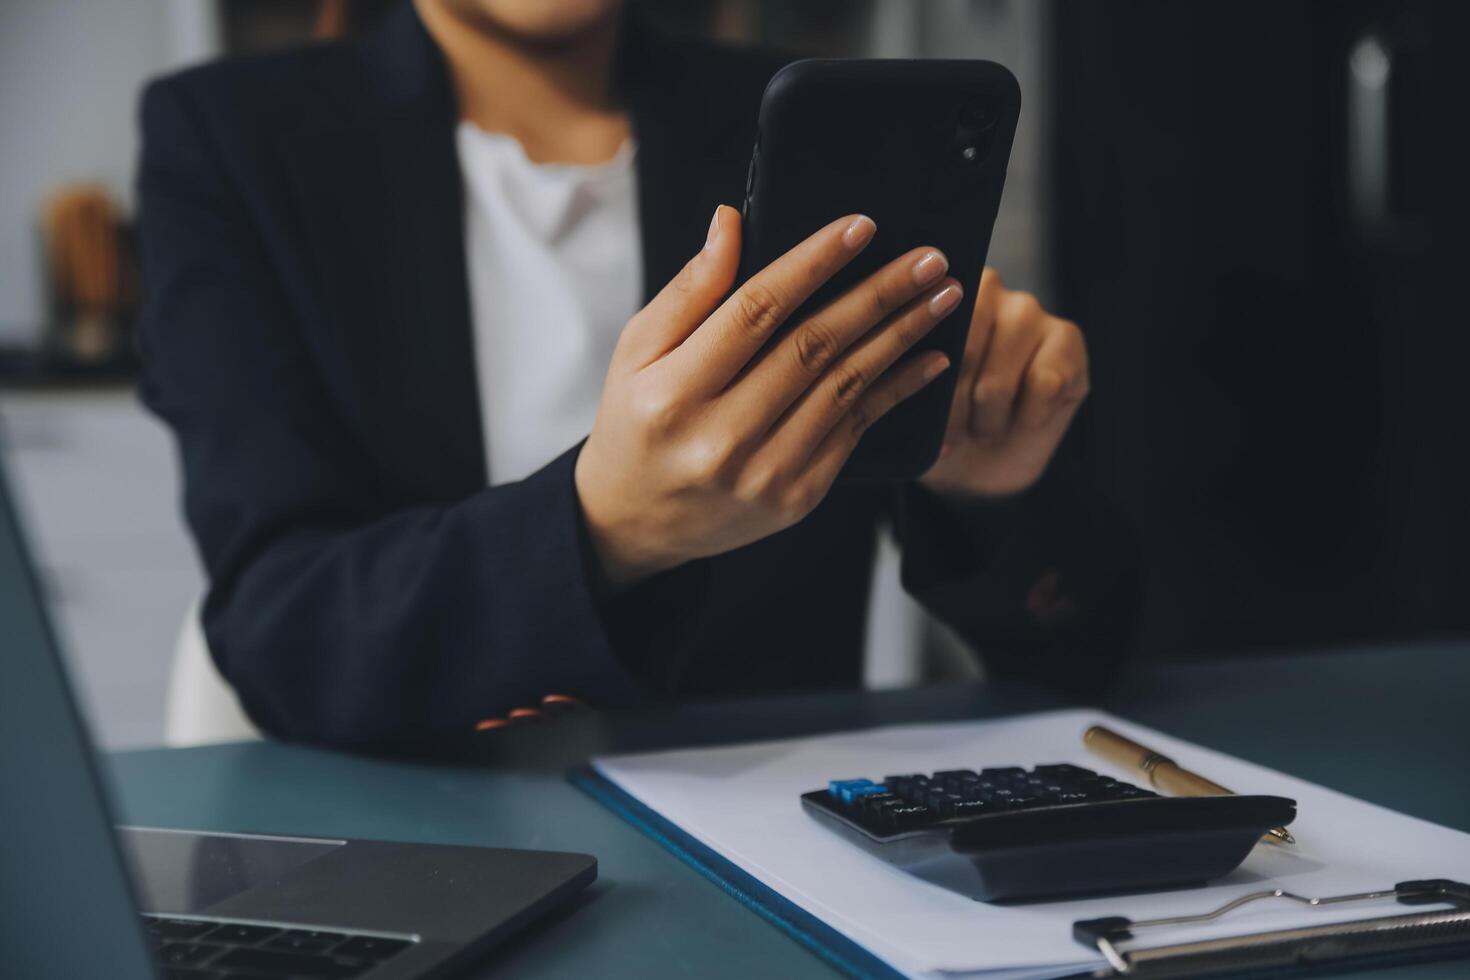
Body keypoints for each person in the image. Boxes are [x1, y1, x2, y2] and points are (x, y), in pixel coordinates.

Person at [136, 0, 1137, 752]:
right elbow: (280, 623)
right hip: (422, 828)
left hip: (780, 829)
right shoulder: (231, 138)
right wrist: (605, 525)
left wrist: (985, 491)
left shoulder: (796, 116)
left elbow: (1080, 638)